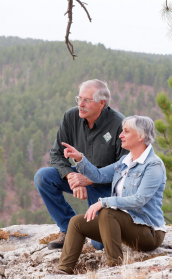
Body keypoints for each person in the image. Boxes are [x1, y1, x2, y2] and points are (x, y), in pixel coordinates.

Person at [55, 115, 166, 274]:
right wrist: (79, 158)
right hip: (122, 226)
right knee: (77, 222)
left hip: (149, 232)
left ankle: (114, 268)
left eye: (126, 131)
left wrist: (103, 202)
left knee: (107, 212)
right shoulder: (124, 161)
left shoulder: (153, 165)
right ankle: (63, 271)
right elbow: (98, 176)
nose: (120, 135)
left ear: (141, 136)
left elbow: (140, 200)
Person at [34, 79, 128, 250]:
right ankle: (68, 229)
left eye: (86, 100)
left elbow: (125, 168)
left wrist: (89, 180)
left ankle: (112, 227)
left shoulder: (118, 125)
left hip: (106, 187)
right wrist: (71, 177)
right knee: (43, 177)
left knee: (99, 245)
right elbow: (56, 154)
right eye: (79, 98)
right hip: (79, 177)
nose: (80, 104)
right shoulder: (71, 117)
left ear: (101, 103)